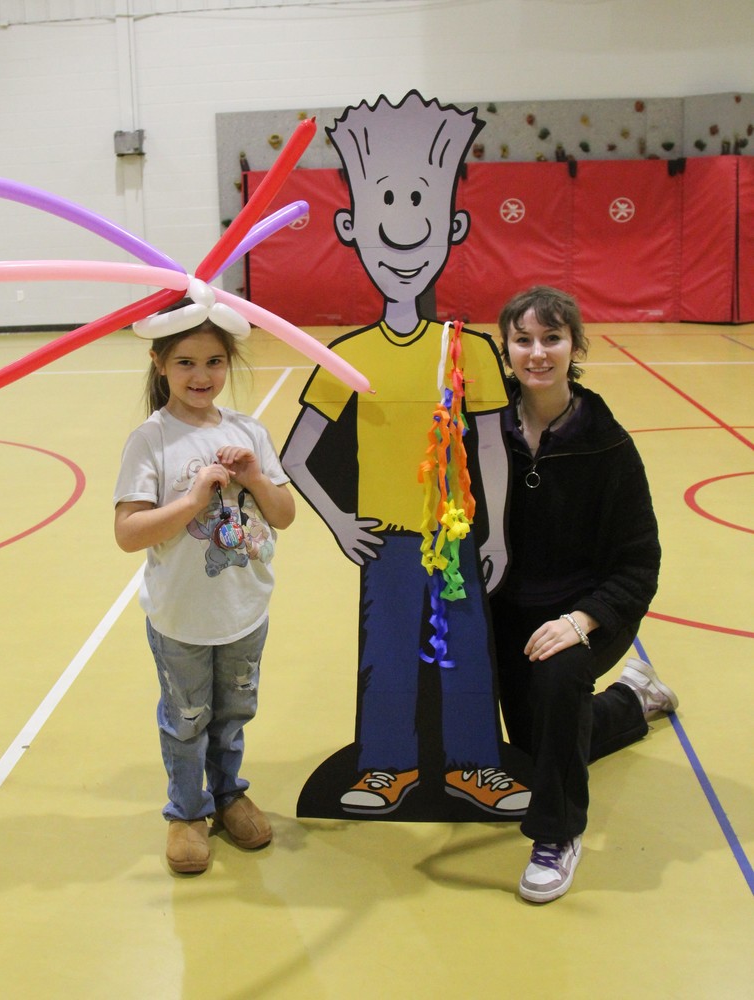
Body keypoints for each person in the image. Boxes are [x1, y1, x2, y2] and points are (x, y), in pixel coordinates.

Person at [282, 91, 530, 820]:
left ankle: (474, 766)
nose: (403, 232)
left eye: (419, 208)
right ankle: (385, 767)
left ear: (452, 227)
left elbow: (492, 445)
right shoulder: (348, 355)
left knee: (465, 652)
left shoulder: (468, 350)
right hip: (387, 541)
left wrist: (496, 533)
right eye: (384, 208)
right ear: (351, 229)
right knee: (386, 655)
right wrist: (339, 522)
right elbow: (295, 456)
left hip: (453, 537)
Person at [491, 285, 678, 903]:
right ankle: (634, 698)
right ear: (506, 349)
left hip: (586, 612)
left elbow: (639, 563)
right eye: (523, 339)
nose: (537, 352)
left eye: (552, 338)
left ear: (575, 347)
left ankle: (557, 834)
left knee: (558, 683)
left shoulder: (608, 444)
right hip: (508, 607)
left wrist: (582, 621)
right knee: (538, 747)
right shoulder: (484, 430)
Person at [113, 283, 295, 875]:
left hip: (244, 611)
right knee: (187, 719)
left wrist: (256, 479)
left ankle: (228, 794)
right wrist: (193, 500)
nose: (201, 375)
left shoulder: (250, 432)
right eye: (186, 362)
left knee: (233, 712)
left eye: (214, 361)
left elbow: (283, 515)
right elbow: (128, 532)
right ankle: (187, 811)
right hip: (182, 617)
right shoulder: (151, 440)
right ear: (159, 363)